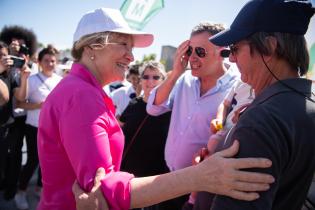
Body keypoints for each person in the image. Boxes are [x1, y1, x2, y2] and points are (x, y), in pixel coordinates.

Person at [38, 8, 274, 210]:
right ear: (93, 47)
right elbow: (103, 192)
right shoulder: (81, 96)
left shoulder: (82, 90)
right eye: (124, 45)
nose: (131, 57)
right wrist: (202, 176)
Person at [190, 0, 315, 210]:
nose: (231, 57)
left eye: (235, 48)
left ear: (269, 46)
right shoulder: (304, 102)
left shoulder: (263, 118)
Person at [146, 22, 240, 208]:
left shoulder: (236, 87)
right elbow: (153, 108)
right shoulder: (184, 79)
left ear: (222, 52)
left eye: (201, 51)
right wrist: (175, 74)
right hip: (167, 176)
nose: (192, 58)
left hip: (199, 189)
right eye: (190, 51)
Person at [13, 45, 62, 209]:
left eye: (53, 61)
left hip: (55, 129)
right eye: (46, 60)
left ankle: (39, 189)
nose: (50, 63)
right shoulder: (32, 80)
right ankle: (20, 192)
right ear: (40, 62)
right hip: (35, 127)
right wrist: (38, 106)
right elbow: (19, 103)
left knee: (48, 161)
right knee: (33, 160)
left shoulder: (60, 81)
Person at [120, 61, 173, 210]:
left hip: (154, 182)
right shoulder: (133, 104)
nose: (150, 81)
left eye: (156, 77)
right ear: (140, 80)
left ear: (163, 81)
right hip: (127, 176)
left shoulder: (170, 109)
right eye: (146, 77)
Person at [0, 25, 38, 201]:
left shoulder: (31, 68)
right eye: (13, 44)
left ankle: (11, 187)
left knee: (15, 155)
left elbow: (23, 96)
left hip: (21, 118)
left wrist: (25, 70)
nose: (17, 47)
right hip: (7, 118)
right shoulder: (4, 64)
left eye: (22, 46)